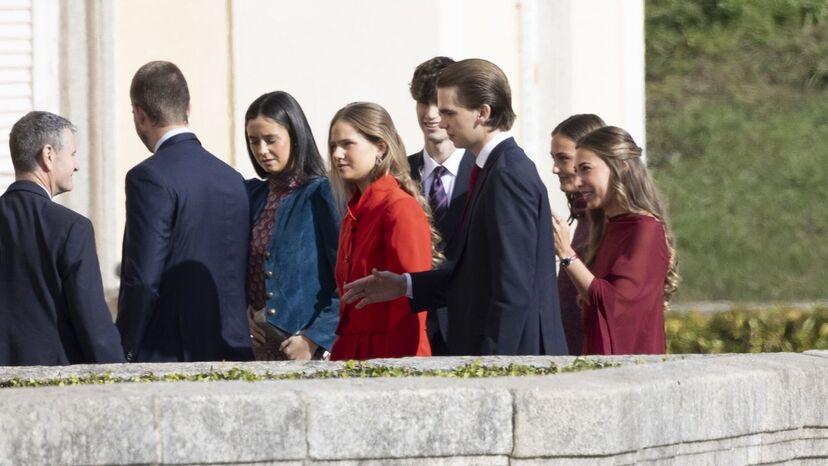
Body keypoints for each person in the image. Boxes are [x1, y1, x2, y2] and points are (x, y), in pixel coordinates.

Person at [343, 59, 568, 356]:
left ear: (482, 113)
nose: (440, 120)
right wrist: (405, 285)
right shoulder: (494, 169)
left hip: (514, 362)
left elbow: (513, 288)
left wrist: (494, 368)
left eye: (449, 112)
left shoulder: (507, 174)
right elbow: (476, 275)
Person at [117, 61, 252, 362]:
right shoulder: (232, 179)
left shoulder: (147, 177)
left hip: (169, 354)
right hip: (235, 349)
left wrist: (122, 348)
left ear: (139, 115)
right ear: (188, 107)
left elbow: (143, 279)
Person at [0, 111, 124, 365]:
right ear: (48, 155)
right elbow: (94, 328)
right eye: (72, 155)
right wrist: (123, 380)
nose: (76, 165)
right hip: (51, 389)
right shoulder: (72, 228)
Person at [551, 126, 679, 355]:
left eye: (586, 170)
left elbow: (615, 304)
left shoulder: (645, 230)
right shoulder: (612, 226)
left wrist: (566, 253)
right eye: (576, 171)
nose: (578, 182)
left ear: (620, 168)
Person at [328, 102, 439, 360]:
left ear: (380, 146)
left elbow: (409, 308)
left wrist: (394, 374)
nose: (337, 154)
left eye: (347, 144)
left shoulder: (398, 207)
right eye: (333, 146)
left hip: (390, 356)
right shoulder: (355, 210)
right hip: (352, 355)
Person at [243, 91, 340, 360]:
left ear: (295, 137)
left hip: (306, 351)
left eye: (270, 140)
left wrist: (314, 338)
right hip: (257, 351)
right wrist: (243, 311)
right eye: (254, 141)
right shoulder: (253, 195)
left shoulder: (321, 194)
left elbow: (348, 278)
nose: (262, 150)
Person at [407, 56, 475, 355]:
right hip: (410, 330)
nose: (431, 114)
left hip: (467, 329)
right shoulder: (398, 174)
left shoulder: (484, 174)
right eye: (424, 102)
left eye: (440, 105)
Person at [550, 114, 606, 355]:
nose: (555, 169)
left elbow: (604, 297)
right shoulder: (584, 215)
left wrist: (565, 252)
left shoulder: (605, 218)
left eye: (563, 159)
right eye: (554, 159)